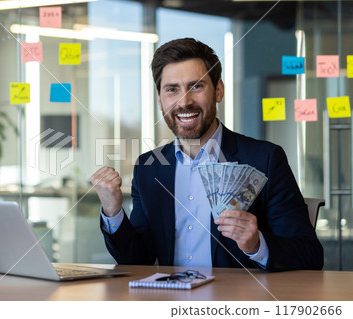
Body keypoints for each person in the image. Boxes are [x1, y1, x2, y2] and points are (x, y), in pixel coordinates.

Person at [90, 38, 323, 271]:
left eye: (196, 87)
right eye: (172, 90)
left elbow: (310, 255)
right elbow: (137, 260)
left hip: (236, 303)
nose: (184, 101)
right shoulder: (149, 167)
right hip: (170, 301)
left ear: (218, 91)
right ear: (160, 100)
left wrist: (257, 245)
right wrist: (113, 212)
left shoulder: (266, 159)